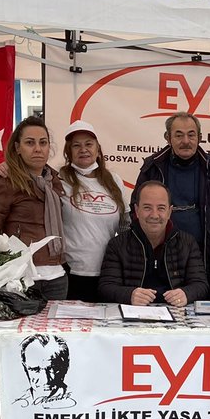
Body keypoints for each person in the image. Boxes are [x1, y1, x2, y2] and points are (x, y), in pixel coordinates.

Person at [136, 113, 210, 294]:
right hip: (158, 256)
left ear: (200, 137)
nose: (186, 141)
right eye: (179, 135)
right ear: (168, 138)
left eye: (191, 134)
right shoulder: (152, 167)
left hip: (203, 257)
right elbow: (136, 208)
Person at [0, 116, 68, 300]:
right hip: (21, 278)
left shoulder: (55, 181)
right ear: (17, 148)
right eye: (30, 143)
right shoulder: (5, 180)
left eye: (43, 143)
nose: (38, 149)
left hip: (57, 277)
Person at [98, 182, 208, 307]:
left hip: (176, 317)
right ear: (136, 210)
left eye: (161, 208)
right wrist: (129, 295)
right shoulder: (118, 244)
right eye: (147, 208)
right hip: (133, 315)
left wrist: (186, 294)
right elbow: (106, 286)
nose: (154, 215)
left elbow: (201, 284)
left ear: (169, 211)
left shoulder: (187, 242)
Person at [58, 120, 128, 303]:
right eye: (76, 145)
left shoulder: (114, 180)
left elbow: (125, 227)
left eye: (89, 144)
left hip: (108, 274)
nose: (83, 149)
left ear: (98, 149)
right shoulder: (58, 178)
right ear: (68, 151)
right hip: (71, 272)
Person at [13, 333, 75, 409]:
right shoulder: (16, 403)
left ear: (65, 366)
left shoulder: (80, 398)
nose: (45, 380)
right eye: (35, 369)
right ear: (25, 368)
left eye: (52, 369)